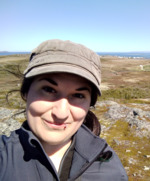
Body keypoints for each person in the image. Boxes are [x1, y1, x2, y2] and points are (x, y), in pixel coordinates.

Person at [0, 39, 128, 181]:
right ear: (25, 93)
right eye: (49, 89)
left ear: (89, 105)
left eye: (78, 95)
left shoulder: (109, 167)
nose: (61, 113)